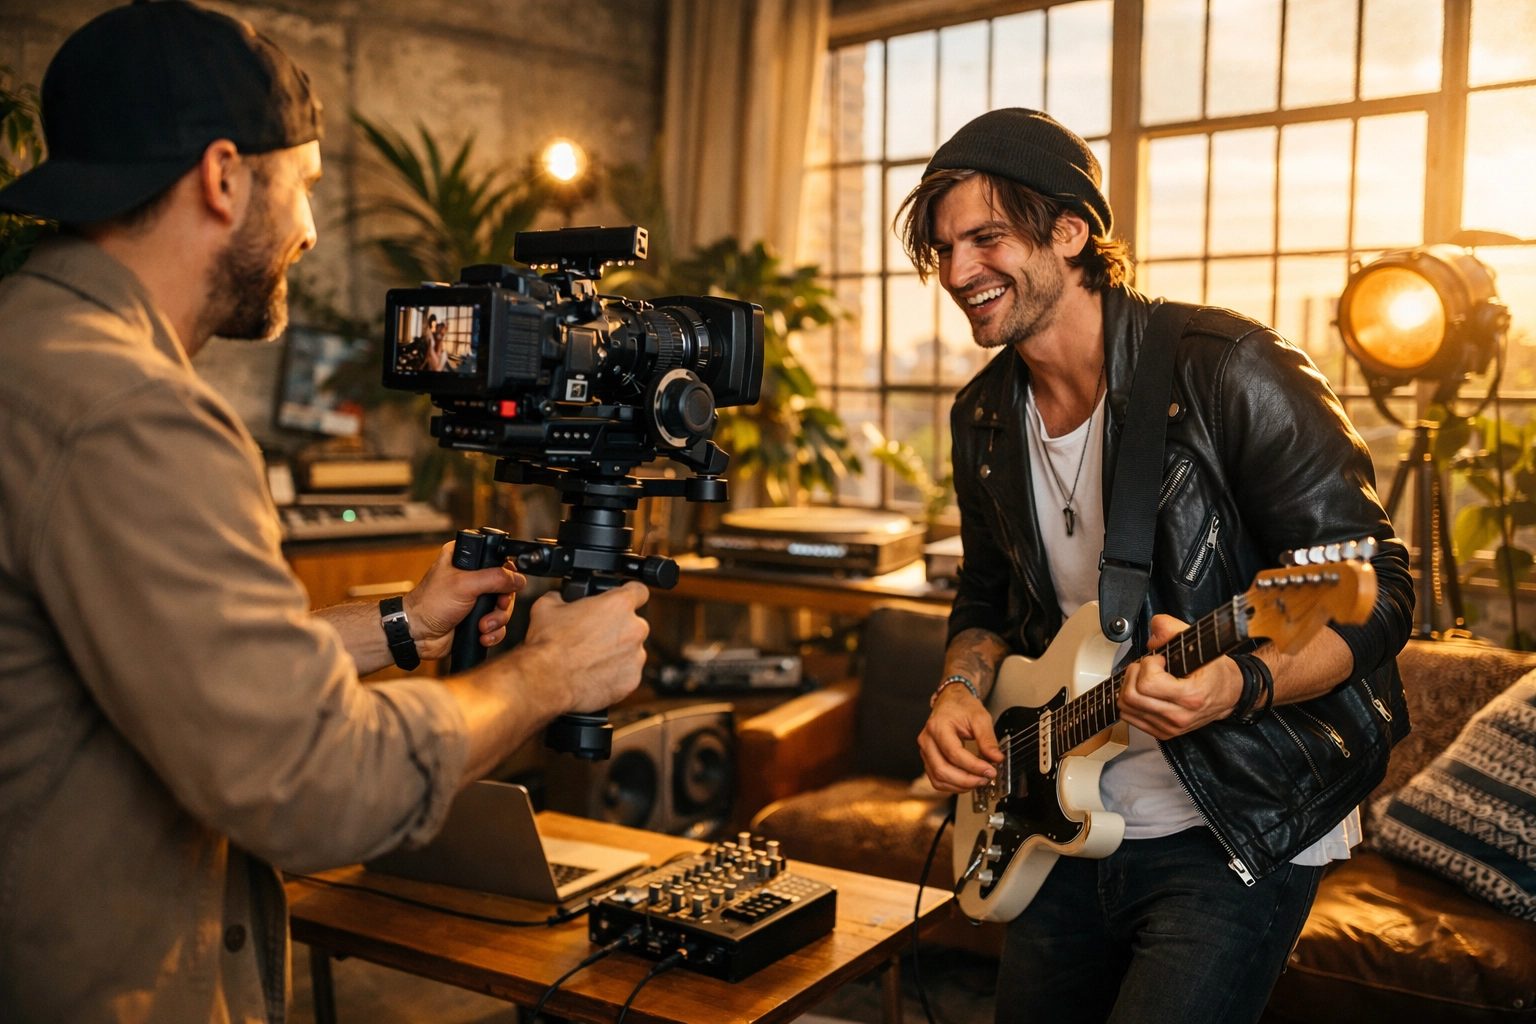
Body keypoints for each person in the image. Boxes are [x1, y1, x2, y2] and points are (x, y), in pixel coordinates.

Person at [0, 4, 649, 1022]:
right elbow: (316, 783)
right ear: (221, 177)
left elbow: (180, 665)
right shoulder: (135, 413)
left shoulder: (31, 348)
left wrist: (404, 624)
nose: (306, 230)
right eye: (301, 186)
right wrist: (551, 672)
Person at [903, 109, 1414, 1023]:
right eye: (942, 249)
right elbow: (985, 598)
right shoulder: (981, 417)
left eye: (986, 238)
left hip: (1236, 822)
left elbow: (1370, 592)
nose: (957, 273)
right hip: (1056, 822)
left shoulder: (1230, 370)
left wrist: (1240, 684)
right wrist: (957, 692)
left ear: (1071, 230)